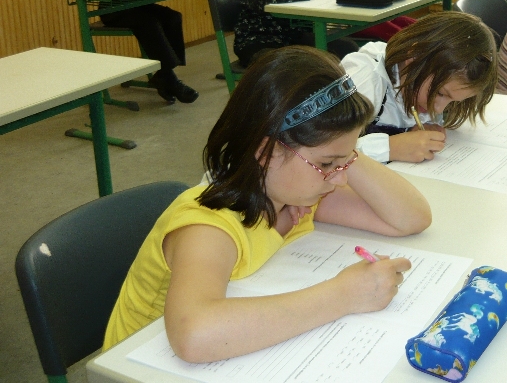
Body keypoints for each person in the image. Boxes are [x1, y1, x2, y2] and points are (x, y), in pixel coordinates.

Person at [103, 46, 432, 362]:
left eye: (345, 163)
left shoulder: (294, 196)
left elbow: (410, 218)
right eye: (327, 164)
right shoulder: (208, 227)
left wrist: (343, 149)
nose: (341, 178)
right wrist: (344, 295)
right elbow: (193, 336)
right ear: (267, 152)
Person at [341, 12, 498, 163]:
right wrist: (391, 147)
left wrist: (411, 131)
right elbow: (329, 151)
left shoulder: (420, 82)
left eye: (453, 102)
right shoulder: (364, 80)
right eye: (440, 93)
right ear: (415, 58)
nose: (439, 110)